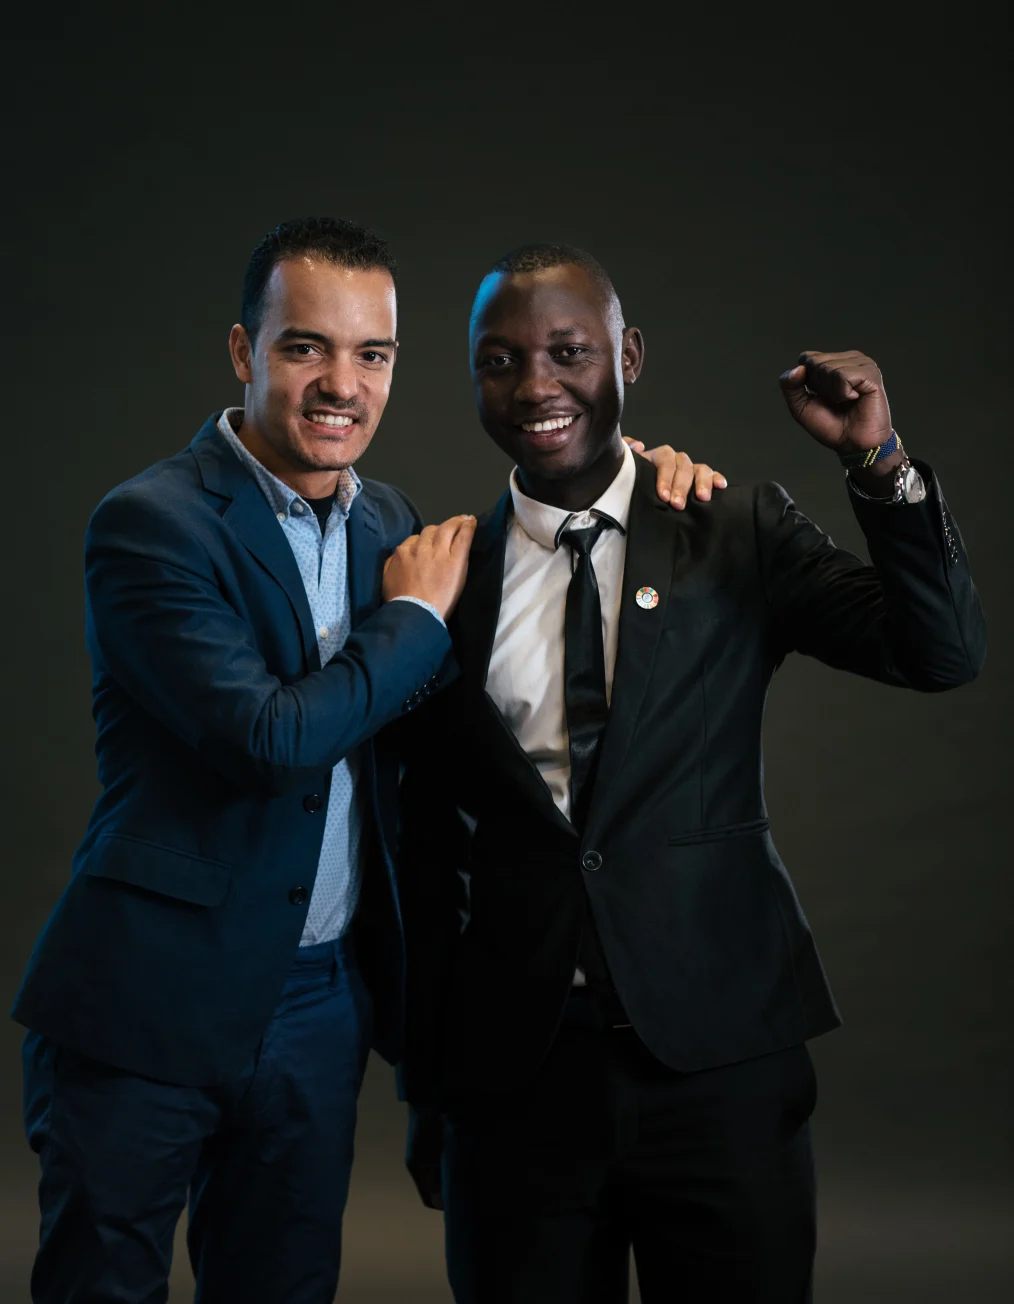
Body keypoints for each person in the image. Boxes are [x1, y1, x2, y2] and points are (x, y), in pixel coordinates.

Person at [11, 217, 722, 1304]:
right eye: (306, 347)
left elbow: (451, 749)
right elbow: (271, 739)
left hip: (318, 1006)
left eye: (373, 353)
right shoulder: (152, 525)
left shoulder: (390, 522)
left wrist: (651, 474)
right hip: (150, 1001)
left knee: (284, 1286)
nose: (342, 382)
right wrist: (409, 625)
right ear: (246, 353)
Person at [397, 243, 987, 1304]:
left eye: (569, 351)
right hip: (518, 1085)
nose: (536, 384)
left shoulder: (730, 528)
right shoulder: (445, 579)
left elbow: (939, 651)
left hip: (719, 1069)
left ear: (628, 356)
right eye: (500, 359)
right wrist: (430, 1085)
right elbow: (426, 853)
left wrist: (878, 459)